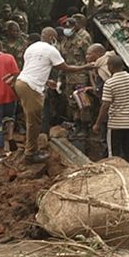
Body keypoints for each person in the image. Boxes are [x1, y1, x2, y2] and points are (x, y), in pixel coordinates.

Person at [12, 27, 94, 164]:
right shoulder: (51, 50)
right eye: (55, 37)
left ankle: (31, 150)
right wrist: (85, 67)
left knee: (32, 120)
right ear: (51, 37)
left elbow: (33, 68)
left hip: (21, 83)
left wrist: (45, 81)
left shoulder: (31, 48)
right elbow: (66, 68)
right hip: (31, 87)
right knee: (34, 123)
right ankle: (30, 154)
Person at [93, 55, 129, 169]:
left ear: (110, 67)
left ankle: (118, 176)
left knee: (114, 154)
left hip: (116, 123)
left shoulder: (110, 83)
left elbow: (105, 105)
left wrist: (97, 123)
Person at [58, 17, 93, 136]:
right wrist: (60, 80)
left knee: (83, 103)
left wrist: (91, 79)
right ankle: (77, 125)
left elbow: (90, 60)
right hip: (68, 78)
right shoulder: (63, 43)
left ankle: (85, 127)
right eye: (66, 27)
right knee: (72, 103)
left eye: (70, 27)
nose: (67, 29)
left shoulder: (82, 42)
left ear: (75, 27)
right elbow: (62, 62)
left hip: (81, 77)